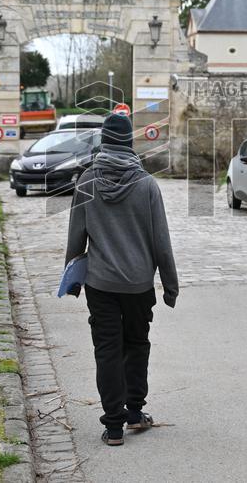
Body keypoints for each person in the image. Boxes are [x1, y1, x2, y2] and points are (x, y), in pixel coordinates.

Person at [65, 113, 179, 447]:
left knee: (107, 350)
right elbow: (162, 242)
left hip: (100, 284)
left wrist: (72, 280)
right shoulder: (146, 185)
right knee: (136, 345)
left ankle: (113, 426)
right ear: (129, 143)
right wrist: (170, 286)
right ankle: (134, 411)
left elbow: (76, 237)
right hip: (138, 285)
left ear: (103, 142)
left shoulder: (87, 181)